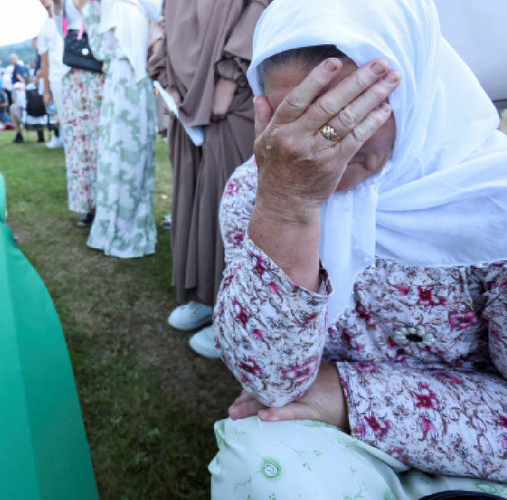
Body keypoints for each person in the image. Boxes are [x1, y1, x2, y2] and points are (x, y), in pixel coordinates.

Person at [210, 0, 507, 497]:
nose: (323, 145)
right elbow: (269, 382)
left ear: (416, 85)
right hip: (330, 444)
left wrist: (352, 395)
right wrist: (288, 207)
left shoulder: (489, 198)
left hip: (480, 460)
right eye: (295, 113)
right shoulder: (262, 188)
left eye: (351, 107)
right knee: (260, 462)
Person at [148, 0, 267, 357]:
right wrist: (167, 77)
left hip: (233, 97)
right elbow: (171, 19)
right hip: (186, 96)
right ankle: (204, 294)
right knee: (192, 196)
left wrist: (230, 78)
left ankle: (235, 315)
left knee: (230, 201)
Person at [75, 0, 159, 258]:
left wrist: (86, 11)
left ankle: (118, 227)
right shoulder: (139, 7)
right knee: (132, 154)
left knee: (120, 155)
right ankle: (128, 225)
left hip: (123, 83)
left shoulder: (105, 8)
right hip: (137, 83)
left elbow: (99, 50)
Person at [54, 0, 105, 228]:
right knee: (78, 146)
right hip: (73, 81)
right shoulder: (62, 5)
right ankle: (88, 206)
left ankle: (104, 204)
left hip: (97, 78)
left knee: (99, 143)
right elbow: (61, 32)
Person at [37, 0, 66, 149]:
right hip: (57, 78)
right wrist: (46, 91)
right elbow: (44, 62)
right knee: (64, 118)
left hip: (77, 71)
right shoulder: (44, 29)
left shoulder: (70, 15)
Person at [10, 78, 47, 144]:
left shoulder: (22, 93)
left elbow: (19, 106)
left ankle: (19, 135)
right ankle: (41, 135)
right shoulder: (42, 92)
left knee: (13, 107)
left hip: (28, 123)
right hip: (44, 123)